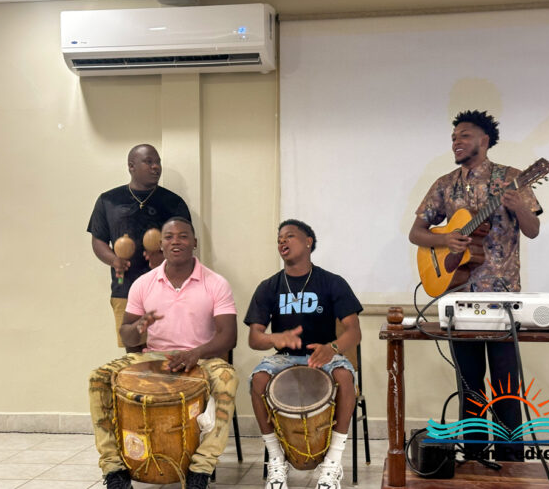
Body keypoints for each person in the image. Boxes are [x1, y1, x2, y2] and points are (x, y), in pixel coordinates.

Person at [408, 110, 542, 461]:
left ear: (484, 140)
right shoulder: (444, 184)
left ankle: (512, 461)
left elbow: (533, 229)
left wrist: (519, 207)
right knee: (469, 385)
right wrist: (445, 240)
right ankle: (475, 458)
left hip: (502, 299)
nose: (456, 141)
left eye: (464, 135)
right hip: (458, 298)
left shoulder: (512, 179)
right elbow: (416, 233)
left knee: (506, 385)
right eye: (454, 137)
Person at [88, 217, 238, 489]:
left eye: (183, 236)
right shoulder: (143, 283)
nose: (176, 241)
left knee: (228, 379)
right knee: (98, 378)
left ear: (194, 242)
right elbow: (127, 335)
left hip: (202, 358)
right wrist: (139, 326)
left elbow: (229, 336)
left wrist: (195, 354)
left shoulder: (216, 283)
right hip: (154, 356)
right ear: (160, 244)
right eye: (169, 237)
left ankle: (201, 469)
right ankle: (114, 469)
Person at [245, 219, 363, 489]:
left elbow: (354, 332)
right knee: (257, 380)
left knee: (346, 378)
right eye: (279, 238)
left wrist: (332, 348)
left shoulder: (332, 282)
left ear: (308, 242)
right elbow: (254, 338)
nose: (282, 241)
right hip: (284, 358)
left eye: (289, 236)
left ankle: (332, 463)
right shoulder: (269, 286)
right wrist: (274, 338)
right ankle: (276, 460)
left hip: (325, 354)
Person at [87, 144, 191, 352]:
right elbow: (98, 240)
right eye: (149, 162)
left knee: (169, 348)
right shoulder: (109, 200)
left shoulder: (173, 202)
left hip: (168, 289)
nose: (156, 167)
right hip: (125, 287)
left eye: (158, 162)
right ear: (131, 166)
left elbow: (187, 241)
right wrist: (113, 260)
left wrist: (165, 259)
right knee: (134, 351)